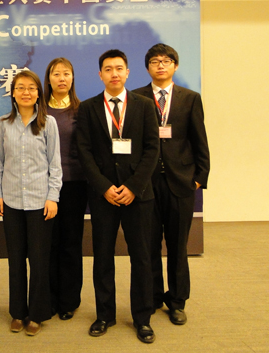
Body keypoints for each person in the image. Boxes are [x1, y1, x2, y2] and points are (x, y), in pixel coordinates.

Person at [76, 49, 159, 344]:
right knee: (102, 257)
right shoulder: (88, 108)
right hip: (104, 197)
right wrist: (104, 187)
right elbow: (83, 151)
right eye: (108, 69)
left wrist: (133, 186)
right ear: (100, 74)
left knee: (142, 257)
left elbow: (152, 149)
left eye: (119, 68)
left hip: (138, 195)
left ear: (127, 73)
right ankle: (104, 315)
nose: (114, 73)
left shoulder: (145, 106)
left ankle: (143, 318)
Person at [133, 43, 210, 325]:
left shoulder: (190, 98)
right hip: (147, 184)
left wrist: (199, 177)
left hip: (181, 183)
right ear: (148, 67)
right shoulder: (136, 98)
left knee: (178, 246)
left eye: (166, 61)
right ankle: (153, 296)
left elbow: (199, 139)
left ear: (175, 66)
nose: (161, 65)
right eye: (155, 61)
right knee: (149, 245)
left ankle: (177, 301)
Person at [0, 70, 62, 337]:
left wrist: (53, 197)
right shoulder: (3, 123)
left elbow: (55, 165)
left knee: (40, 261)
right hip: (11, 201)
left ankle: (38, 313)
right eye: (20, 88)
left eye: (31, 88)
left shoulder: (48, 123)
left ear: (38, 93)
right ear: (13, 93)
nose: (26, 92)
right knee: (16, 260)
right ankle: (18, 312)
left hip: (40, 201)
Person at [43, 58, 88, 320]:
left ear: (72, 78)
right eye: (56, 74)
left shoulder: (82, 110)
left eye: (66, 74)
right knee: (48, 243)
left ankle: (69, 300)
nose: (62, 78)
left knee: (70, 242)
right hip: (43, 186)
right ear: (48, 79)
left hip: (74, 184)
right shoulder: (38, 109)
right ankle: (48, 298)